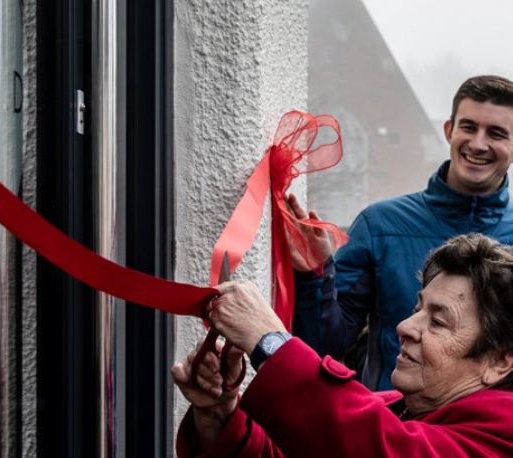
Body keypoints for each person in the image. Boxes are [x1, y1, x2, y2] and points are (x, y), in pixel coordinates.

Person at [172, 234, 513, 456]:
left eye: (438, 321)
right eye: (417, 308)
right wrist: (218, 414)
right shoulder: (394, 407)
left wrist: (269, 340)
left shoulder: (504, 432)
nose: (405, 327)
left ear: (498, 361)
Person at [289, 75, 513, 390]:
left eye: (496, 133)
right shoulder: (380, 225)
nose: (478, 143)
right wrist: (315, 275)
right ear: (449, 131)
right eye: (468, 127)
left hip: (487, 434)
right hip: (393, 427)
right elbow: (324, 346)